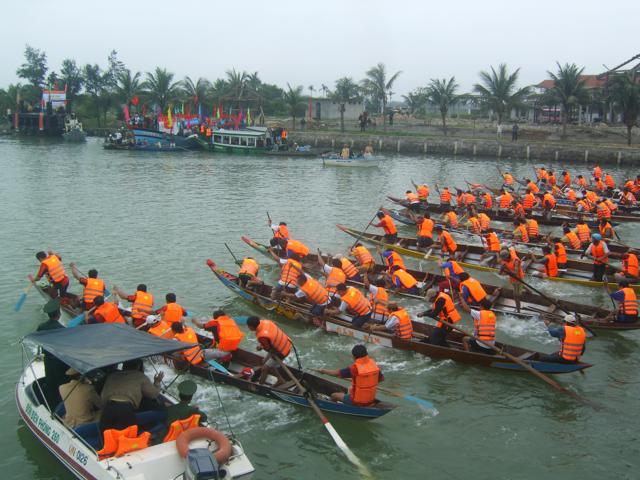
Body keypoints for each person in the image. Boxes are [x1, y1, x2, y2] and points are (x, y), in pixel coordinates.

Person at [100, 359, 164, 432]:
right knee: (129, 436)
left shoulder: (112, 375)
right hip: (126, 409)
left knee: (105, 436)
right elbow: (153, 394)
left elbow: (103, 396)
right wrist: (157, 382)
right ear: (138, 366)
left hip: (109, 408)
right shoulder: (140, 376)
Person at [318, 344, 382, 406]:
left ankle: (331, 405)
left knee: (334, 395)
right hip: (371, 399)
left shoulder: (355, 368)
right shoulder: (374, 365)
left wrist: (323, 371)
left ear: (354, 357)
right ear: (366, 354)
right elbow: (380, 379)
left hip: (358, 402)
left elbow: (336, 374)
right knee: (350, 388)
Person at [36, 298, 69, 407]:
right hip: (59, 361)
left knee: (50, 382)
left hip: (48, 360)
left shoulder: (41, 327)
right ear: (58, 314)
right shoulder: (62, 329)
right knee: (61, 383)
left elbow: (39, 341)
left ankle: (51, 404)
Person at [246, 317, 292, 385]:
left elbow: (268, 349)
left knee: (265, 368)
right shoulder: (266, 322)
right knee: (264, 361)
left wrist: (260, 347)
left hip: (281, 351)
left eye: (248, 326)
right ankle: (280, 379)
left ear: (252, 327)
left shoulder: (261, 336)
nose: (248, 327)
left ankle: (261, 385)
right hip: (287, 343)